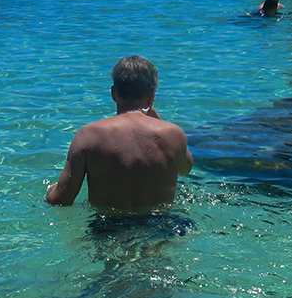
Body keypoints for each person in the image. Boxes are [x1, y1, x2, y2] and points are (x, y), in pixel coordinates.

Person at [46, 55, 193, 211]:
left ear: (113, 93)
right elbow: (185, 169)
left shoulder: (88, 135)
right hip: (161, 226)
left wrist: (50, 191)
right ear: (152, 96)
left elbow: (61, 200)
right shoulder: (173, 134)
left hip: (108, 228)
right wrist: (155, 116)